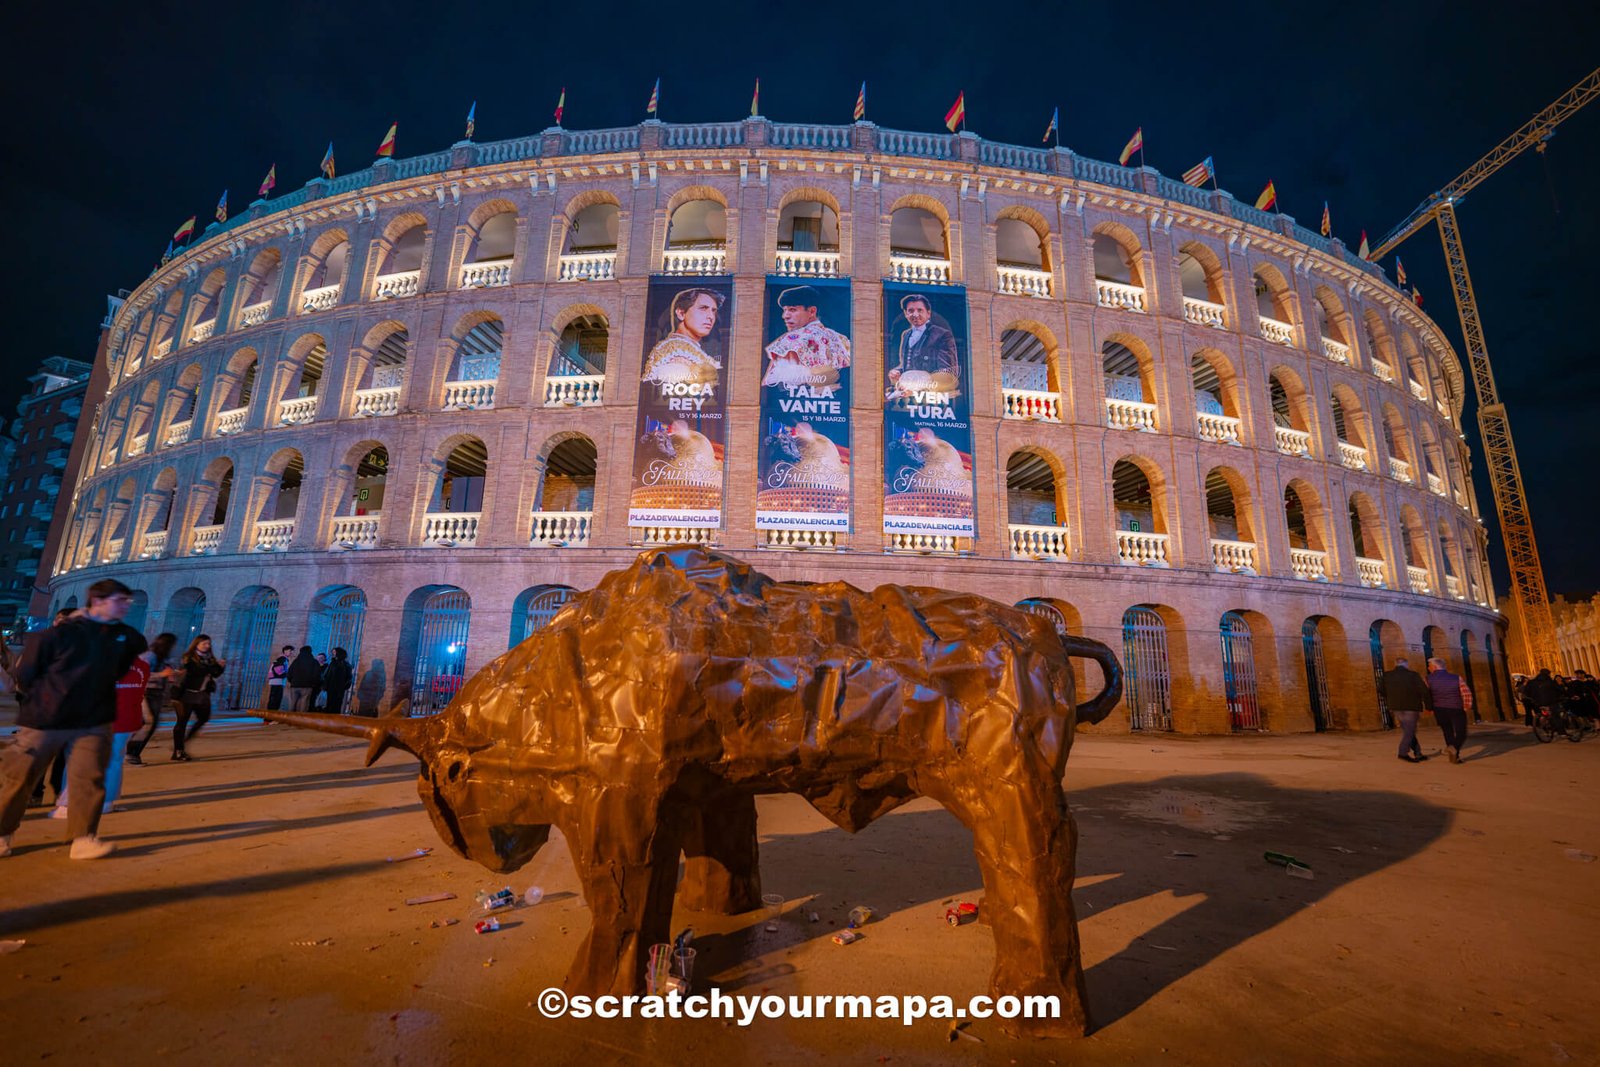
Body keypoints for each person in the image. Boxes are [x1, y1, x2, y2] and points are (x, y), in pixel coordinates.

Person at [0, 579, 147, 859]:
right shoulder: (55, 636)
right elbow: (25, 675)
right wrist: (49, 697)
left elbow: (126, 660)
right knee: (20, 778)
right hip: (46, 719)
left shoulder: (125, 636)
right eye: (120, 600)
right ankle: (3, 833)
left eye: (128, 601)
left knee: (88, 779)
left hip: (94, 720)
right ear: (99, 601)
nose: (126, 605)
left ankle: (83, 838)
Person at [762, 285, 852, 388]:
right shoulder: (842, 339)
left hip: (796, 400)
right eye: (785, 310)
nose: (785, 316)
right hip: (834, 398)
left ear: (812, 311)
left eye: (792, 310)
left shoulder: (791, 340)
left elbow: (769, 385)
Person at [641, 288, 724, 387]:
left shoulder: (690, 349)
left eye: (713, 311)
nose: (711, 316)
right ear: (681, 313)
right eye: (703, 308)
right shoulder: (674, 351)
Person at [887, 293, 959, 396]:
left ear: (928, 313)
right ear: (906, 314)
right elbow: (907, 364)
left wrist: (921, 388)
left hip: (933, 396)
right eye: (911, 311)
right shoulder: (906, 335)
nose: (915, 314)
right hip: (909, 393)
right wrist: (897, 371)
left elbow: (947, 372)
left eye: (920, 310)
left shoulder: (942, 334)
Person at [171, 635, 226, 761]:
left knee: (204, 717)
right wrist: (213, 666)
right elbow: (196, 671)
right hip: (185, 693)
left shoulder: (209, 659)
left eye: (208, 644)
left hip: (202, 693)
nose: (207, 646)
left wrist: (221, 667)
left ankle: (184, 741)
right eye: (204, 644)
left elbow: (215, 674)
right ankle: (178, 751)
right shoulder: (188, 657)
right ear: (196, 644)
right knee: (182, 722)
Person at [126, 632, 177, 764]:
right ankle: (131, 752)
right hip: (147, 692)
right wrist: (161, 674)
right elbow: (140, 674)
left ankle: (131, 751)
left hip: (157, 693)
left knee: (148, 723)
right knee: (149, 723)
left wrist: (171, 674)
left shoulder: (163, 657)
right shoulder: (149, 656)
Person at [1381, 656, 1433, 763]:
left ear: (1395, 664)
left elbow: (1380, 689)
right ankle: (1402, 752)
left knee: (1408, 730)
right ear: (1406, 664)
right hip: (1411, 706)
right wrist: (1429, 706)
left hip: (1395, 706)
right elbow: (1424, 691)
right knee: (1410, 730)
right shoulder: (1413, 675)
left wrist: (1391, 697)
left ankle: (1418, 753)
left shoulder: (1387, 675)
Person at [1426, 657, 1471, 763]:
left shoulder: (1428, 679)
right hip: (1456, 708)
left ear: (1435, 667)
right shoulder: (1456, 678)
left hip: (1439, 709)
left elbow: (1427, 695)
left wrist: (1430, 707)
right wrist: (1466, 706)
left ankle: (1454, 754)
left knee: (1447, 731)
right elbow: (1466, 692)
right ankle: (1454, 750)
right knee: (1461, 732)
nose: (1428, 668)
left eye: (1430, 666)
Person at [286, 645, 321, 711]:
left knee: (292, 703)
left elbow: (289, 673)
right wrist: (313, 683)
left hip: (295, 685)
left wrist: (292, 681)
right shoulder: (314, 661)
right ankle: (300, 719)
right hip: (307, 686)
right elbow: (317, 674)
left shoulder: (296, 661)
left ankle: (289, 718)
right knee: (304, 703)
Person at [322, 647, 354, 715]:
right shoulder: (332, 663)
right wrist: (325, 685)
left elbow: (349, 678)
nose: (333, 654)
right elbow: (327, 675)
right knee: (329, 705)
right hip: (330, 688)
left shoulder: (346, 665)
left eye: (334, 652)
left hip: (339, 689)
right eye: (333, 652)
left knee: (336, 706)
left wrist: (343, 686)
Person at [265, 645, 292, 711]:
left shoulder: (282, 659)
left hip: (277, 681)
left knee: (274, 698)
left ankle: (269, 715)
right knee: (276, 699)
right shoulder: (282, 659)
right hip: (277, 681)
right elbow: (277, 669)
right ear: (285, 651)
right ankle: (270, 716)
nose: (291, 653)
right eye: (290, 651)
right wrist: (286, 675)